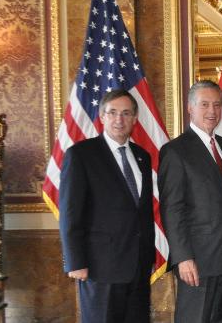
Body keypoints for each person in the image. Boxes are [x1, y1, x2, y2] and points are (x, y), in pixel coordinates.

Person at [59, 89, 154, 323]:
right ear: (102, 117)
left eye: (126, 113)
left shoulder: (143, 156)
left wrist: (149, 256)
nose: (119, 119)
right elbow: (70, 213)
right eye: (112, 113)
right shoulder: (81, 155)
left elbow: (143, 212)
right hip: (100, 268)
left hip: (138, 268)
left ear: (134, 118)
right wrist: (76, 261)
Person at [158, 80, 222, 323]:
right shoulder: (175, 151)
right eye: (204, 104)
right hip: (197, 260)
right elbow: (172, 209)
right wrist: (183, 257)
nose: (212, 111)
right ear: (190, 108)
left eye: (216, 104)